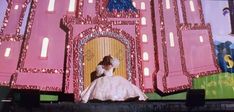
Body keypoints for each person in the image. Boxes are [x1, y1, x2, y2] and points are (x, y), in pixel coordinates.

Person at [81, 55, 148, 103]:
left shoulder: (105, 66)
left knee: (114, 86)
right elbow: (98, 73)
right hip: (106, 78)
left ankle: (127, 97)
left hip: (107, 78)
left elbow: (98, 74)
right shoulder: (103, 67)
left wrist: (104, 67)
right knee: (113, 87)